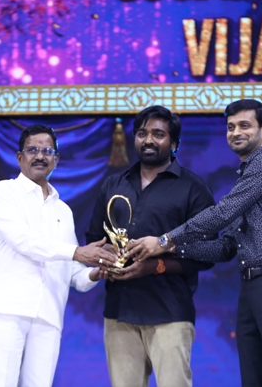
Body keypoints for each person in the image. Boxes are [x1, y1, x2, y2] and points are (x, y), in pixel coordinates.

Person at [128, 99, 262, 387]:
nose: (236, 132)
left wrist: (165, 240)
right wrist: (174, 248)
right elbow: (225, 248)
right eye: (230, 127)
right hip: (252, 287)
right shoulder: (245, 180)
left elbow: (222, 213)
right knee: (254, 381)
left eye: (244, 126)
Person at [0, 124, 117, 387]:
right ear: (19, 157)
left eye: (47, 151)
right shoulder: (3, 192)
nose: (40, 156)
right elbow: (24, 241)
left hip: (49, 315)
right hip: (6, 309)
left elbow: (74, 273)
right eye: (32, 150)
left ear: (56, 159)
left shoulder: (63, 210)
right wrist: (79, 253)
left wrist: (96, 271)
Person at [86, 105, 216, 387]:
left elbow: (208, 252)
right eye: (142, 133)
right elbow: (94, 239)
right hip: (119, 312)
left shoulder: (193, 188)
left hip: (169, 312)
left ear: (174, 143)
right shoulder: (113, 185)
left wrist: (155, 265)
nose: (148, 140)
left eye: (158, 134)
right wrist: (104, 257)